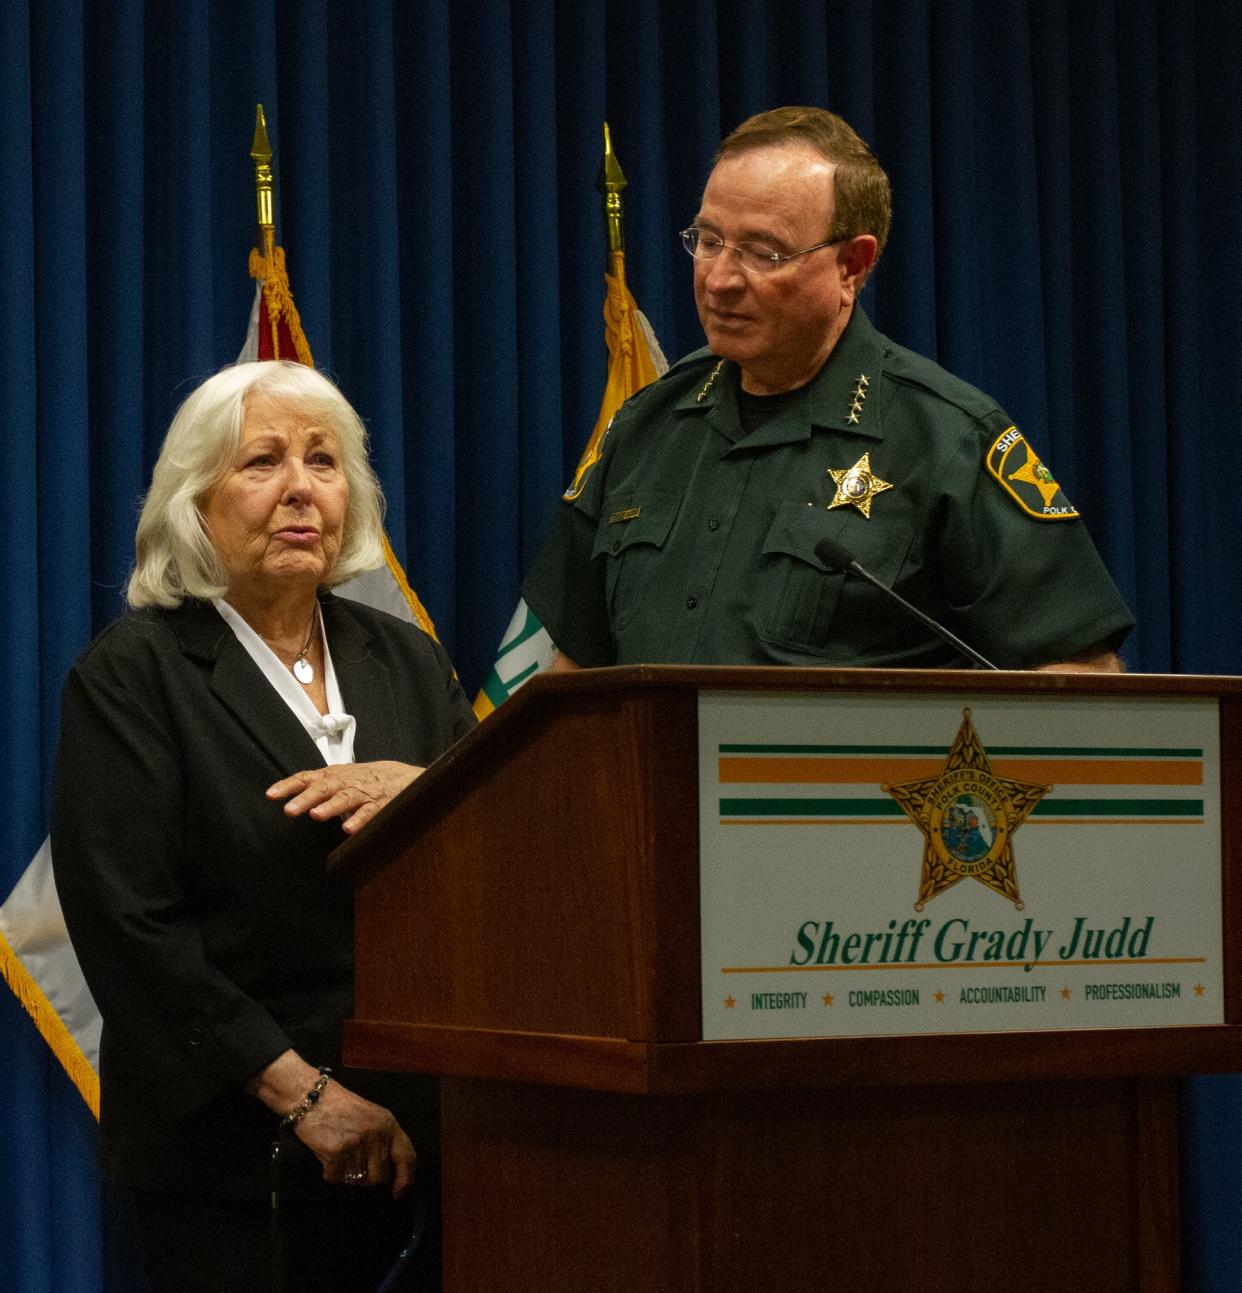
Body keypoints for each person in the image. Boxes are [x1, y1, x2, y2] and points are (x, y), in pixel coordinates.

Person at [51, 361, 474, 1291]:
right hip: (237, 1155)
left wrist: (422, 786)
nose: (300, 489)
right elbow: (131, 931)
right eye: (262, 462)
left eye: (324, 462)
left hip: (423, 1132)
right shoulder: (136, 674)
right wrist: (305, 1096)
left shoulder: (403, 656)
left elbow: (498, 852)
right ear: (193, 500)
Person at [522, 107, 1134, 672]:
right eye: (708, 242)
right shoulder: (645, 426)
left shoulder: (947, 440)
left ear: (853, 265)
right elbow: (573, 673)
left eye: (763, 253)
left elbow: (1082, 672)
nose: (721, 279)